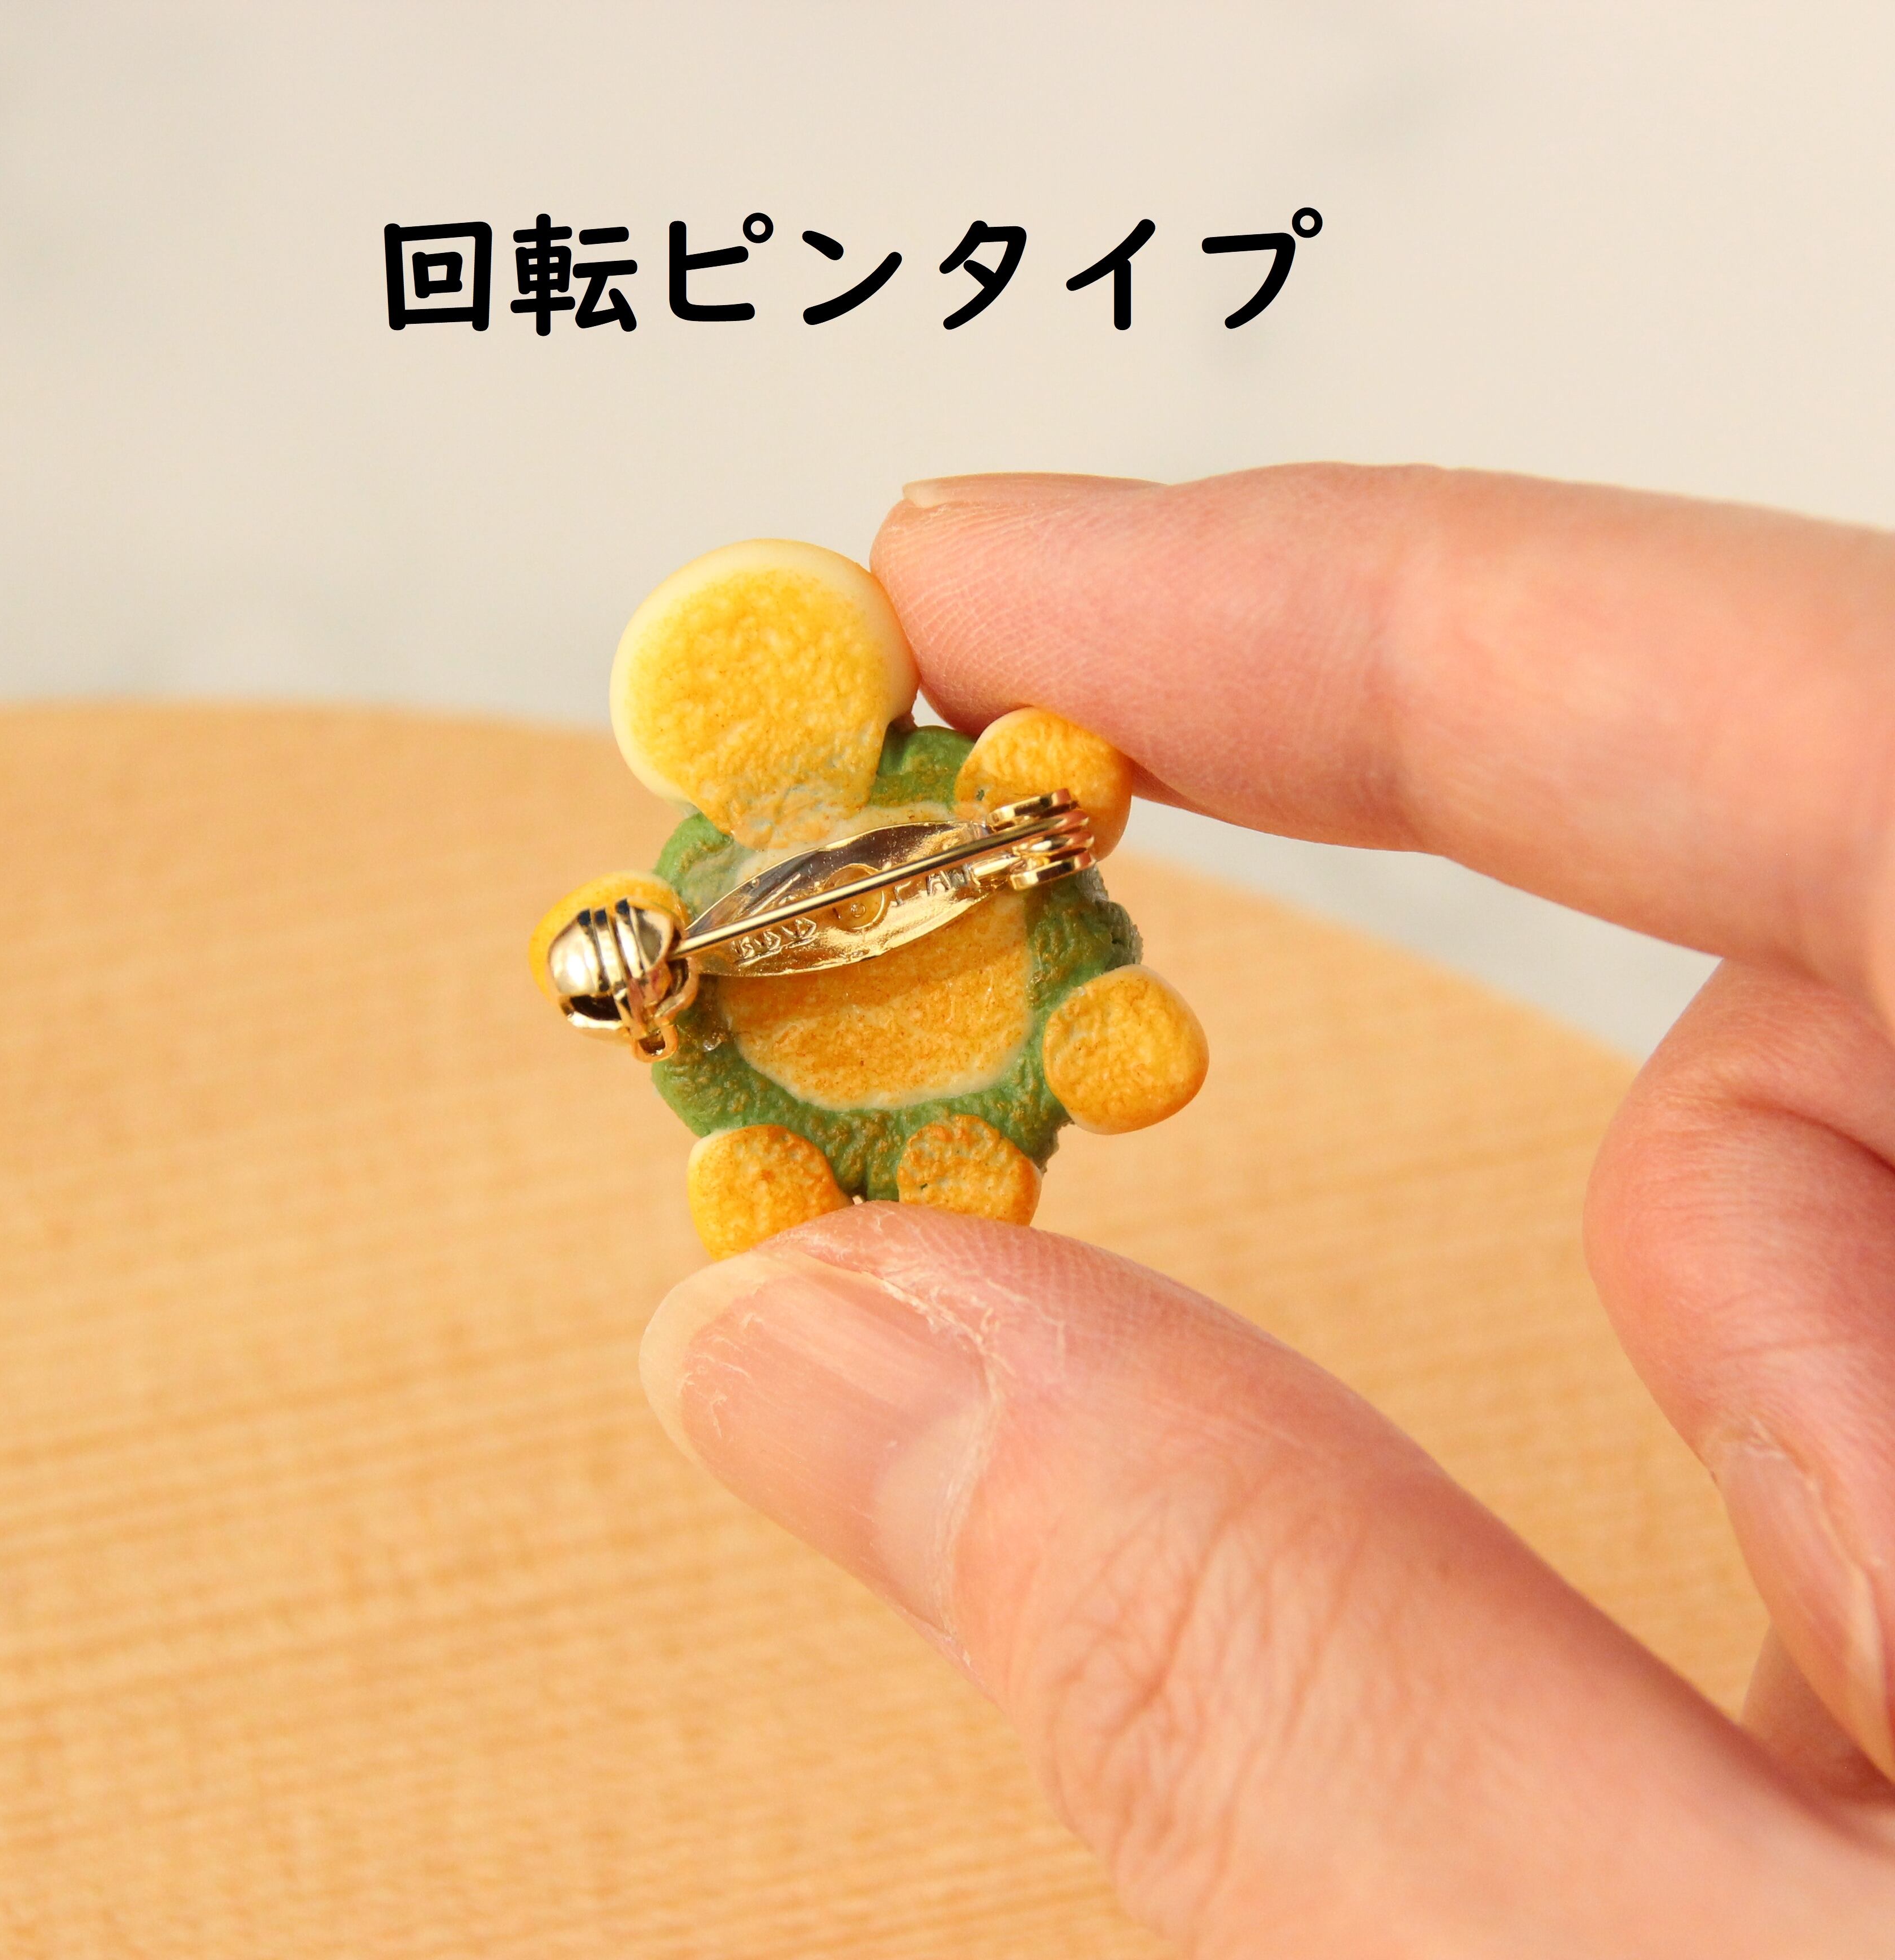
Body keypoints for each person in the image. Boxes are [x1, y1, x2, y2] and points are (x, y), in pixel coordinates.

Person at [639, 467, 1895, 1954]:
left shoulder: (954, 801)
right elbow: (639, 986)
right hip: (813, 1083)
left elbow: (1044, 810)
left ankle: (1076, 1034)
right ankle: (941, 1103)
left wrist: (1044, 804)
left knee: (1042, 1064)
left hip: (1001, 1013)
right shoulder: (695, 890)